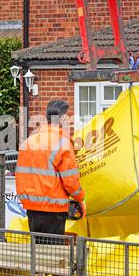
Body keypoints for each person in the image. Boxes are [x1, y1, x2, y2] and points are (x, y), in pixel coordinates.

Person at [15, 100, 86, 245]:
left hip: (31, 208)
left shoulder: (29, 141)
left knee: (39, 253)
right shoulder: (62, 143)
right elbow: (70, 180)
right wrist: (80, 197)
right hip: (53, 209)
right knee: (53, 255)